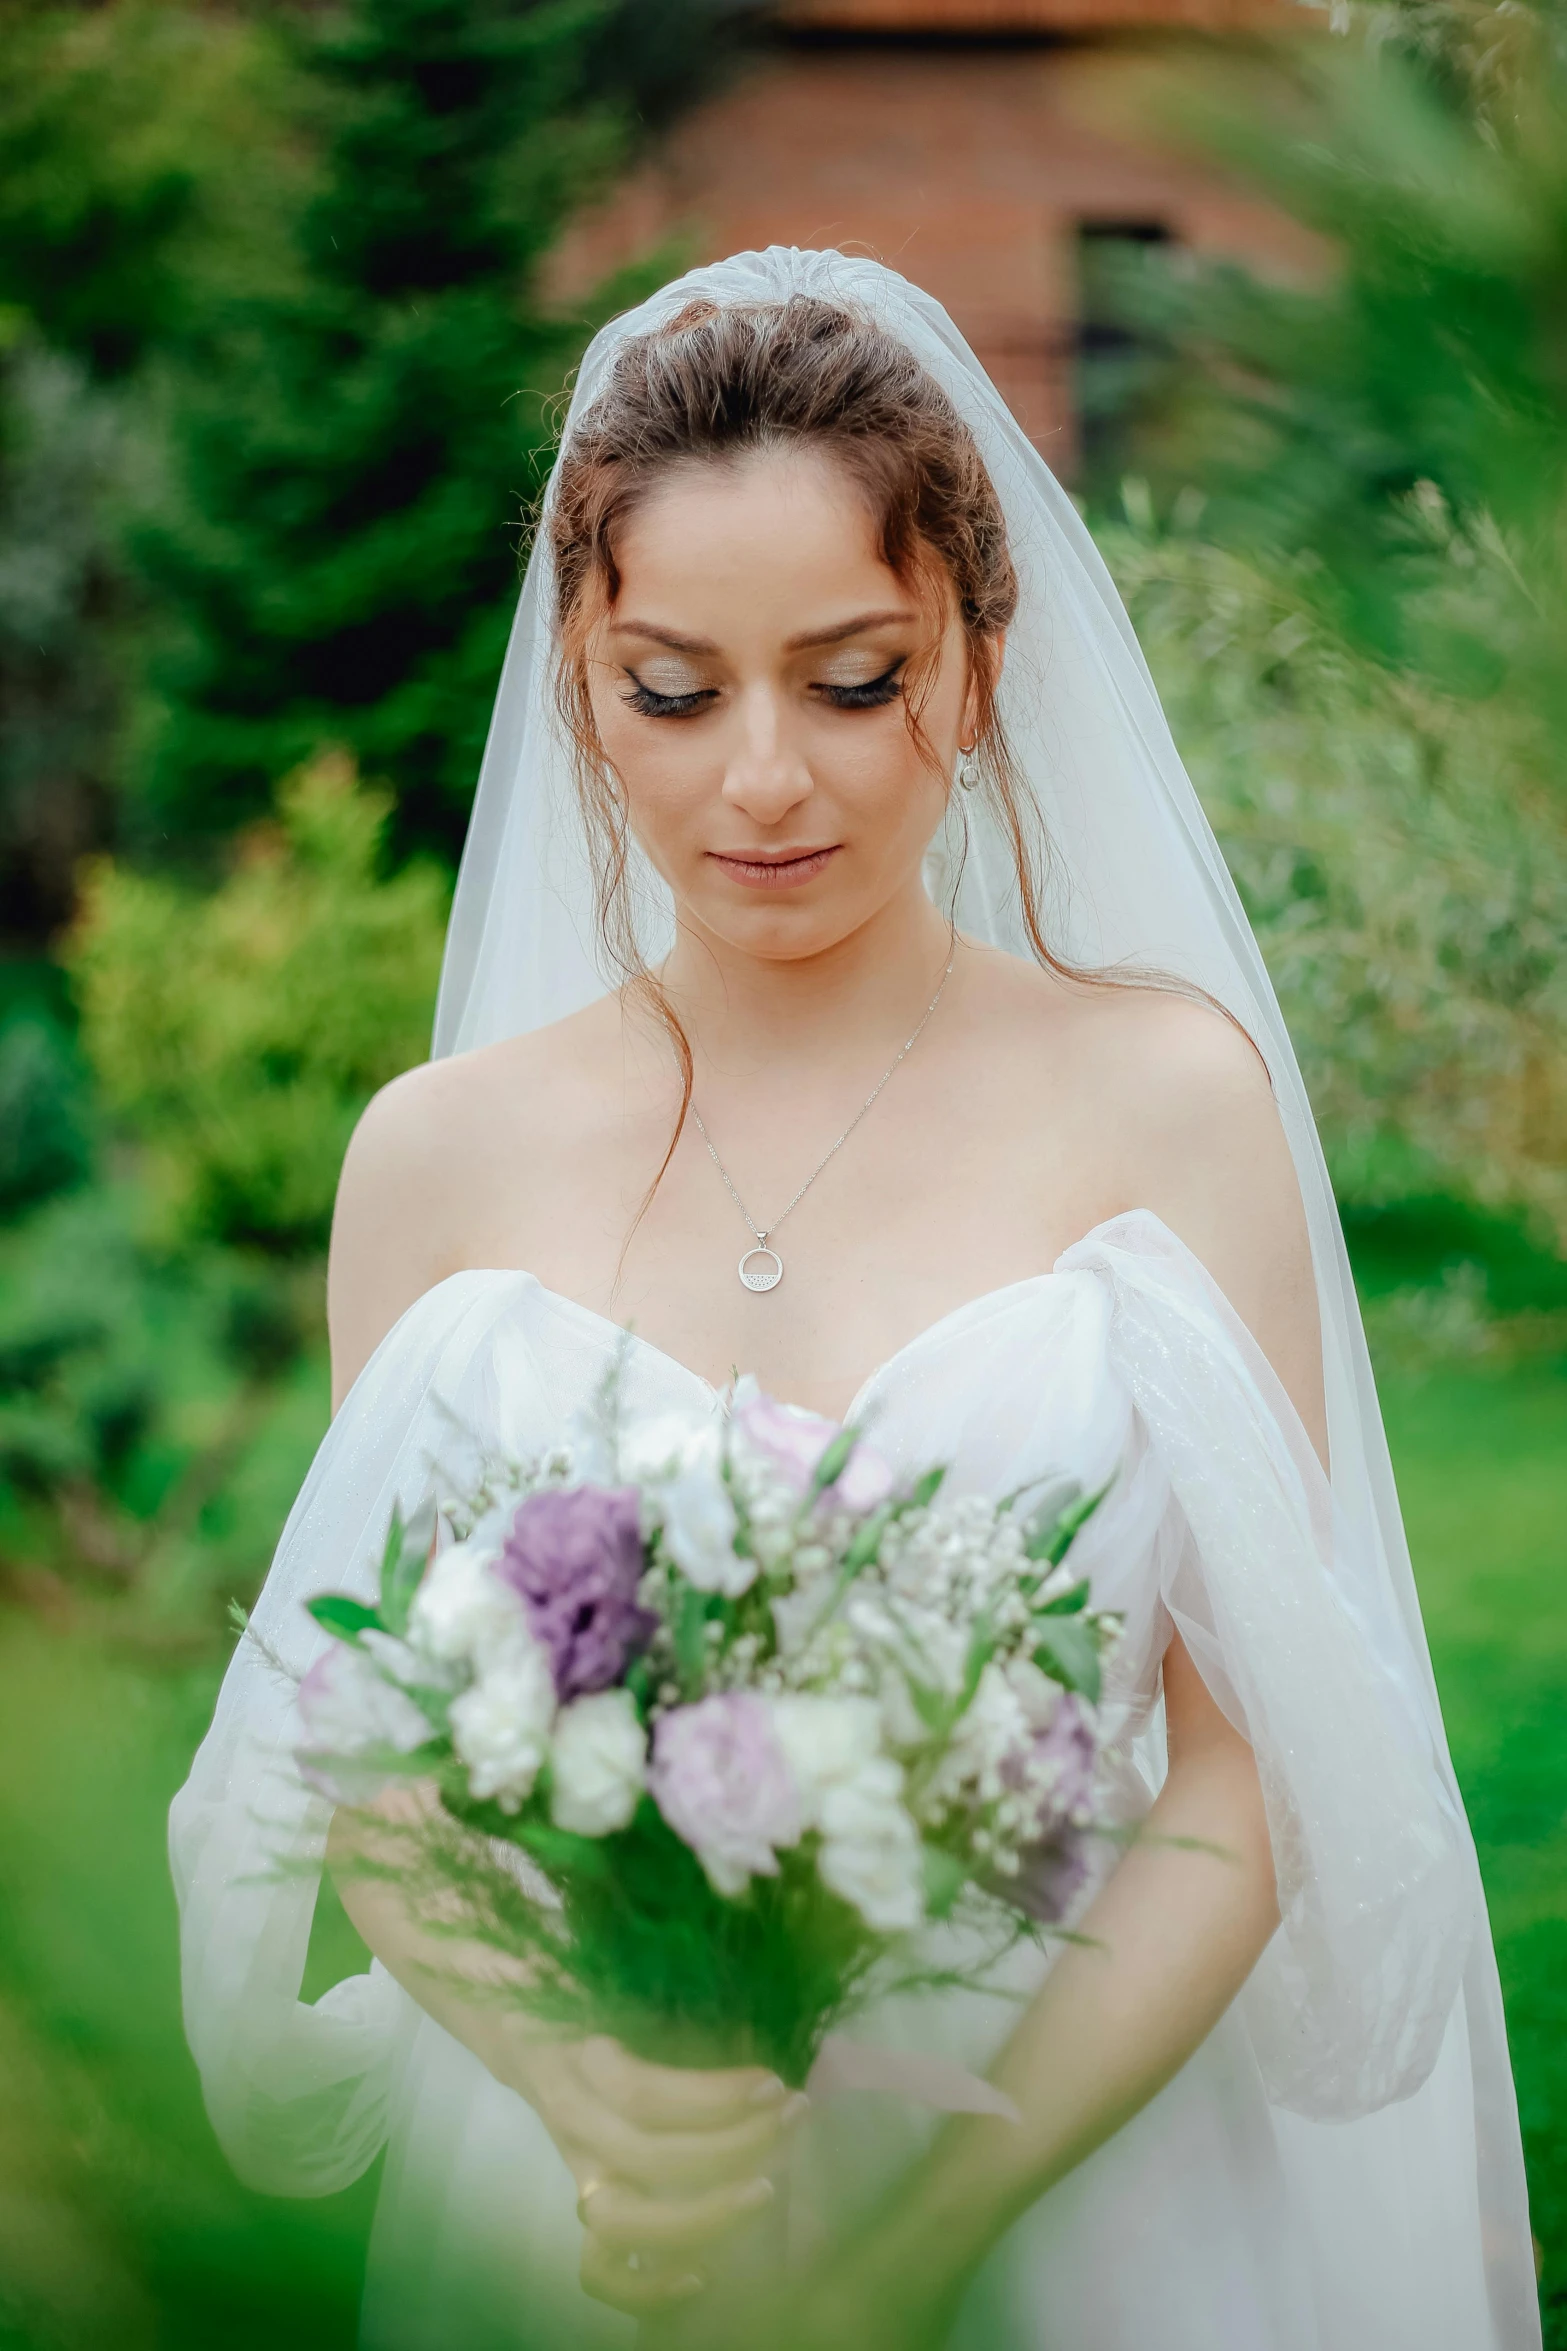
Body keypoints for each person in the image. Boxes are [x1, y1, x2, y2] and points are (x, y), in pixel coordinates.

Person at [169, 249, 1539, 2351]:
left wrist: (913, 2241)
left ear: (977, 666)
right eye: (678, 686)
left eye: (853, 675)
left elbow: (1248, 1776)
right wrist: (594, 2093)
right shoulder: (436, 1156)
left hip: (1084, 2174)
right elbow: (387, 1760)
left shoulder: (1166, 1096)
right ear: (579, 683)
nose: (767, 780)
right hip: (591, 2211)